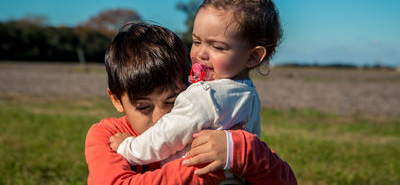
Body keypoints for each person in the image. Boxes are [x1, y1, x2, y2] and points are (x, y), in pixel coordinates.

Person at [110, 0, 288, 178]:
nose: (201, 53)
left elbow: (166, 135)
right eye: (196, 41)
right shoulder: (248, 95)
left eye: (217, 47)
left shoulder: (205, 96)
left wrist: (128, 148)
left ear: (252, 56)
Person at [85, 22, 297, 184]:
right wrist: (213, 166)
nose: (161, 118)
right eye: (143, 107)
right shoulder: (107, 136)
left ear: (190, 87)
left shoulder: (209, 126)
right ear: (116, 99)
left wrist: (245, 153)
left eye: (172, 102)